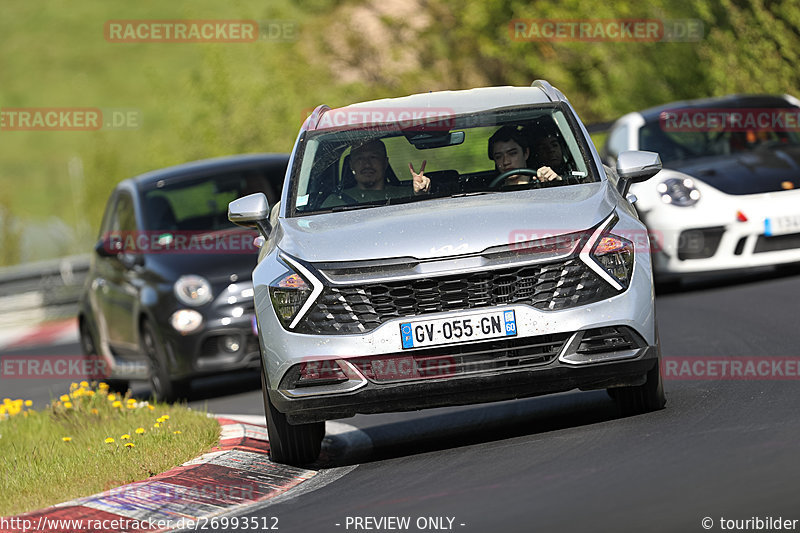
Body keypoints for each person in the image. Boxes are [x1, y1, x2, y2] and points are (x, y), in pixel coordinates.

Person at [322, 139, 430, 207]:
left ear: (385, 162)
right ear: (351, 165)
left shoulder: (408, 194)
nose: (367, 164)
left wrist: (420, 195)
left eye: (373, 157)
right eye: (360, 158)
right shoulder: (335, 201)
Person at [487, 125, 561, 186]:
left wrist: (557, 182)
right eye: (498, 157)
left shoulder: (543, 183)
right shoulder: (491, 194)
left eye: (512, 153)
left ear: (526, 153)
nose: (506, 162)